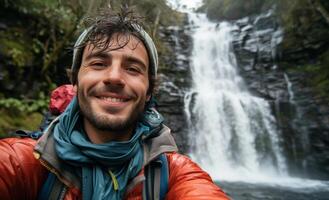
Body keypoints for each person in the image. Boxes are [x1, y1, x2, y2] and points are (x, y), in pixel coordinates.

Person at [0, 7, 229, 200]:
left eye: (132, 68)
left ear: (149, 91)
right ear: (75, 82)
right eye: (99, 63)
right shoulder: (26, 161)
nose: (115, 78)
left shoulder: (175, 173)